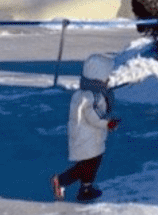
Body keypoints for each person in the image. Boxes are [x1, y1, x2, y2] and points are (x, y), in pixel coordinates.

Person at [50, 52, 121, 202]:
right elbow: (93, 115)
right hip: (89, 139)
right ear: (99, 76)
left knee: (87, 165)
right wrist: (107, 123)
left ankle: (85, 188)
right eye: (106, 76)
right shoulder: (93, 95)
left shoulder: (84, 93)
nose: (108, 79)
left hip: (83, 137)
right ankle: (61, 181)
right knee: (87, 166)